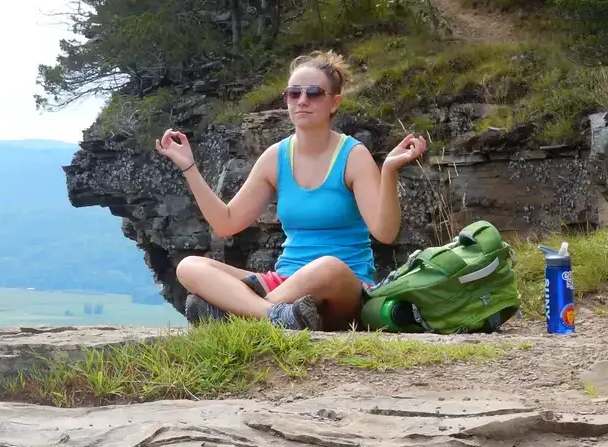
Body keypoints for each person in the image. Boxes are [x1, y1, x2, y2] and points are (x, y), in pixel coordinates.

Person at [154, 50, 427, 331]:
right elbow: (226, 223)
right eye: (293, 93)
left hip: (341, 286)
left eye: (314, 93)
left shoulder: (353, 155)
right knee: (189, 266)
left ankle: (239, 313)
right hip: (284, 283)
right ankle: (274, 315)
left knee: (328, 267)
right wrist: (189, 167)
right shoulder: (276, 156)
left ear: (334, 103)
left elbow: (385, 232)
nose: (302, 100)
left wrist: (389, 171)